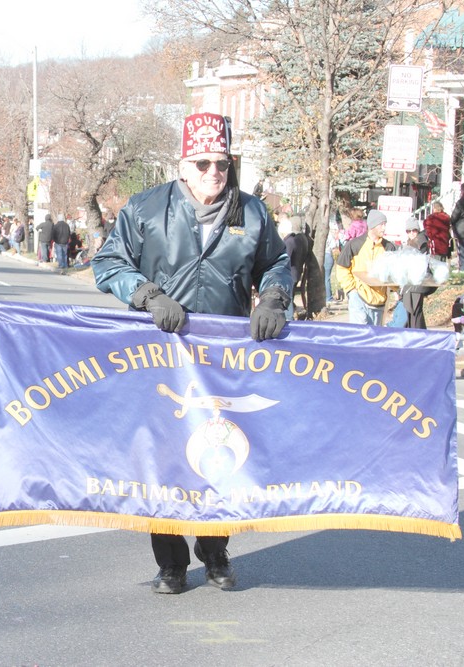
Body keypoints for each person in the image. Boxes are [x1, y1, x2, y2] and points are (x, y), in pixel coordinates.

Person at [92, 111, 292, 595]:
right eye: (202, 164)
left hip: (225, 359)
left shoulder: (253, 213)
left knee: (221, 449)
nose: (213, 174)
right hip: (159, 356)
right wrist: (146, 294)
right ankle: (172, 564)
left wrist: (272, 298)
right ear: (182, 165)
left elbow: (277, 263)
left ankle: (215, 548)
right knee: (163, 459)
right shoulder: (144, 209)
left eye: (222, 164)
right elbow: (108, 262)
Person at [335, 209, 395, 326]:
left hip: (379, 299)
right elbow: (342, 267)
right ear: (372, 225)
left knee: (374, 338)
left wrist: (398, 289)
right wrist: (351, 290)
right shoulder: (355, 244)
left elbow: (394, 273)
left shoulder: (389, 247)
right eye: (381, 224)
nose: (384, 228)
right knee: (359, 336)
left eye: (385, 224)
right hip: (358, 296)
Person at [399, 217, 435, 329]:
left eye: (413, 230)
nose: (411, 233)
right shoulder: (414, 241)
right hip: (413, 282)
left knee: (414, 311)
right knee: (413, 312)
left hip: (417, 283)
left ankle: (417, 335)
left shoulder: (420, 242)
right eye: (408, 231)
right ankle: (416, 334)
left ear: (418, 230)